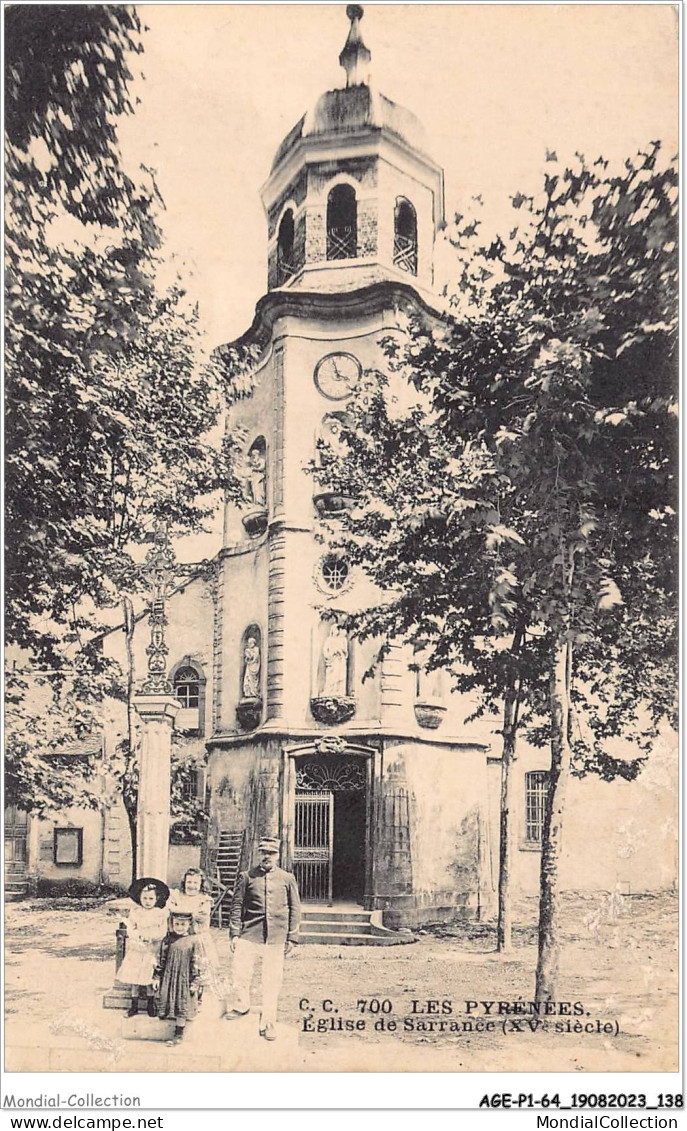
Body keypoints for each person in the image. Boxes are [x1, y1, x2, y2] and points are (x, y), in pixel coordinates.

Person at [224, 837, 301, 1041]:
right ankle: (242, 1005)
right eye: (264, 852)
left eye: (271, 853)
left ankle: (268, 1021)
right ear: (258, 853)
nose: (267, 856)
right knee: (241, 972)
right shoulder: (246, 876)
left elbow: (295, 908)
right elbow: (236, 906)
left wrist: (292, 937)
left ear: (277, 855)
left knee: (272, 979)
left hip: (276, 936)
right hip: (250, 933)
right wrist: (235, 934)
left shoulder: (287, 878)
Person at [167, 867, 225, 1005]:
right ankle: (180, 997)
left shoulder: (204, 900)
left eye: (195, 883)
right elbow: (169, 909)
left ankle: (198, 999)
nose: (191, 886)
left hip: (198, 938)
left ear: (200, 885)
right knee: (181, 968)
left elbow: (201, 917)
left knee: (198, 969)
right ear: (184, 882)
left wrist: (181, 911)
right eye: (189, 882)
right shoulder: (177, 896)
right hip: (180, 937)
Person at [115, 877, 169, 1018]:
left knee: (149, 976)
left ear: (156, 899)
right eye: (144, 898)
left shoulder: (159, 913)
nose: (147, 901)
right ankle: (134, 1005)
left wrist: (152, 937)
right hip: (138, 948)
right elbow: (131, 928)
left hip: (152, 948)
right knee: (135, 976)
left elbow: (162, 931)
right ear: (140, 898)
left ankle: (151, 1004)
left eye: (151, 898)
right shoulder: (136, 912)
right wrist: (138, 936)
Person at [153, 911, 205, 1046]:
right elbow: (161, 960)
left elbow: (197, 962)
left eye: (183, 924)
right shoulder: (167, 940)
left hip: (185, 978)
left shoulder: (194, 941)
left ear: (189, 925)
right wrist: (157, 977)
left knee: (182, 1002)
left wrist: (195, 981)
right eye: (177, 924)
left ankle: (178, 1033)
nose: (179, 927)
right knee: (169, 999)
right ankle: (166, 1018)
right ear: (172, 924)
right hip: (169, 977)